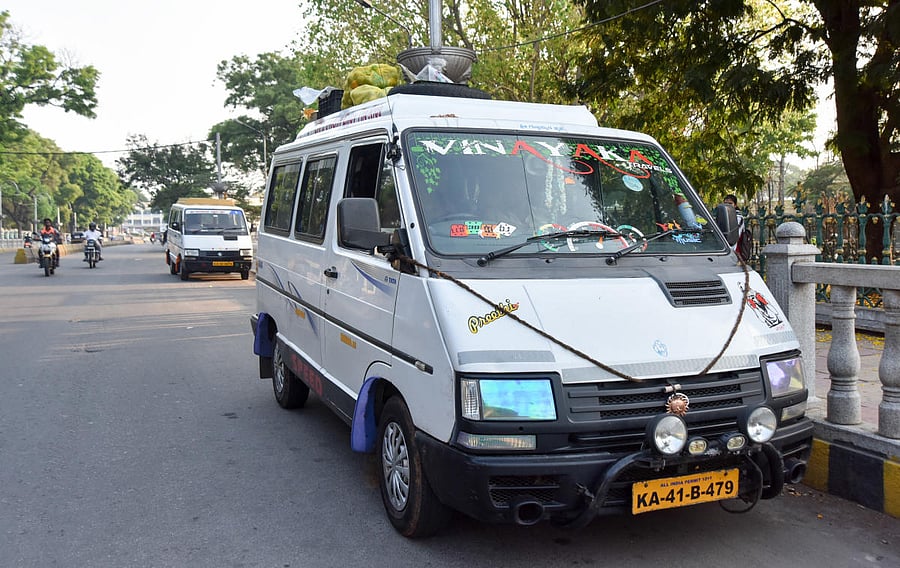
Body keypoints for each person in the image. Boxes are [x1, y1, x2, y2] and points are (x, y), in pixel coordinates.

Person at [724, 194, 750, 261]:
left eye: (730, 203)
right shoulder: (723, 215)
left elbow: (734, 236)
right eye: (725, 203)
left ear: (735, 205)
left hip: (734, 250)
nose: (727, 205)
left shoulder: (738, 218)